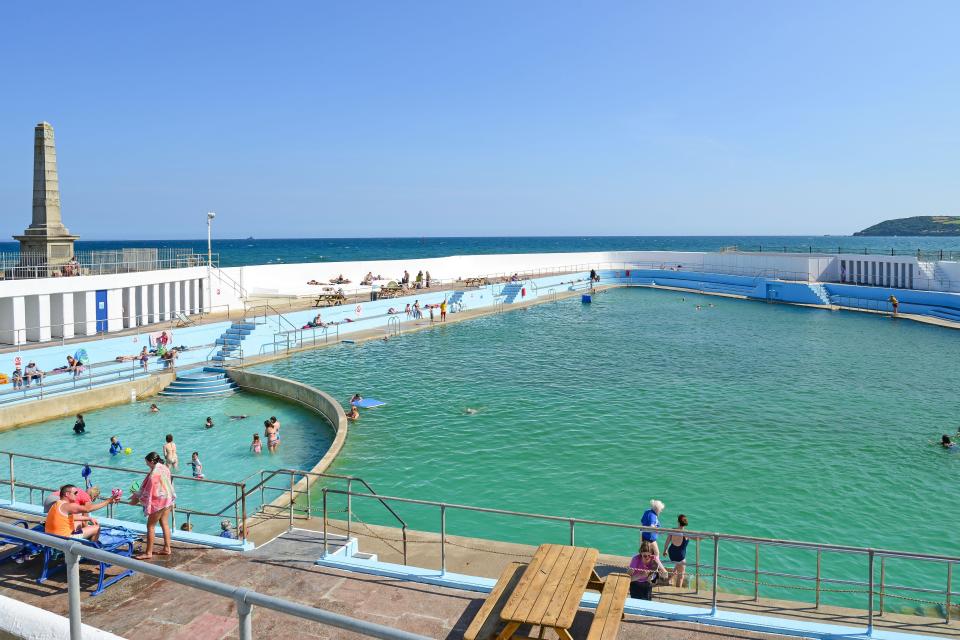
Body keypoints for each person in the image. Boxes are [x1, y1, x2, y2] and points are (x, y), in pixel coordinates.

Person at [129, 452, 176, 559]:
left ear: (151, 462)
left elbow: (149, 492)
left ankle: (148, 552)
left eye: (147, 463)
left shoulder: (153, 474)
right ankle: (167, 548)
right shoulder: (164, 468)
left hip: (159, 502)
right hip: (168, 498)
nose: (147, 465)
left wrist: (136, 497)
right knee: (165, 523)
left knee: (150, 526)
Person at [45, 484, 118, 542]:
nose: (77, 494)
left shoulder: (57, 503)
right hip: (63, 538)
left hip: (51, 537)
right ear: (67, 494)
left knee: (77, 522)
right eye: (75, 493)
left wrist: (88, 518)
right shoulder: (69, 506)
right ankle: (90, 552)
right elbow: (87, 509)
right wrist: (108, 501)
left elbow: (71, 517)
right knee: (97, 528)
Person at [663, 514, 690, 587]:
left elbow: (667, 542)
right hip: (680, 556)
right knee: (681, 577)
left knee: (677, 564)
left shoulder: (672, 530)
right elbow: (697, 538)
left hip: (671, 553)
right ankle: (678, 591)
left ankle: (669, 579)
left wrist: (665, 550)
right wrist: (707, 537)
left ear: (678, 522)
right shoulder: (686, 533)